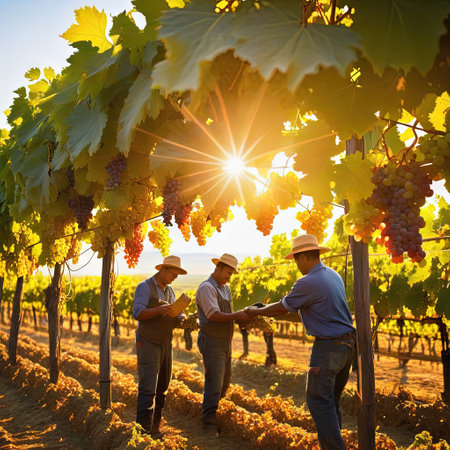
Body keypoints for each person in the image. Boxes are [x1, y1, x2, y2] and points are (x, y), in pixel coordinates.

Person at [245, 234, 355, 450]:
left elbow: (281, 307)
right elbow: (302, 312)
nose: (296, 265)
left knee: (318, 401)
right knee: (331, 401)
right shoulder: (332, 275)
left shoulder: (308, 281)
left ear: (303, 257)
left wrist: (255, 312)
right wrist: (268, 314)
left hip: (328, 348)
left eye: (296, 259)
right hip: (347, 346)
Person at [132, 255, 188, 436]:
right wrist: (159, 310)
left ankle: (154, 429)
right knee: (148, 389)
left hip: (166, 342)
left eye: (177, 275)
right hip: (148, 341)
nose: (175, 277)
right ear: (163, 269)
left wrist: (179, 318)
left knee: (162, 387)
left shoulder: (170, 291)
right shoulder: (145, 287)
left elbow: (170, 315)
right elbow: (138, 313)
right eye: (173, 273)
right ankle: (142, 433)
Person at [195, 253, 249, 435]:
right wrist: (237, 315)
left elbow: (229, 315)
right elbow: (213, 315)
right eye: (227, 272)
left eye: (232, 274)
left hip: (225, 341)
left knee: (225, 382)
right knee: (214, 382)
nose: (229, 276)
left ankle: (213, 413)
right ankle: (208, 423)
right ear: (217, 268)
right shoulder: (206, 288)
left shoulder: (225, 289)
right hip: (211, 340)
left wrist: (246, 318)